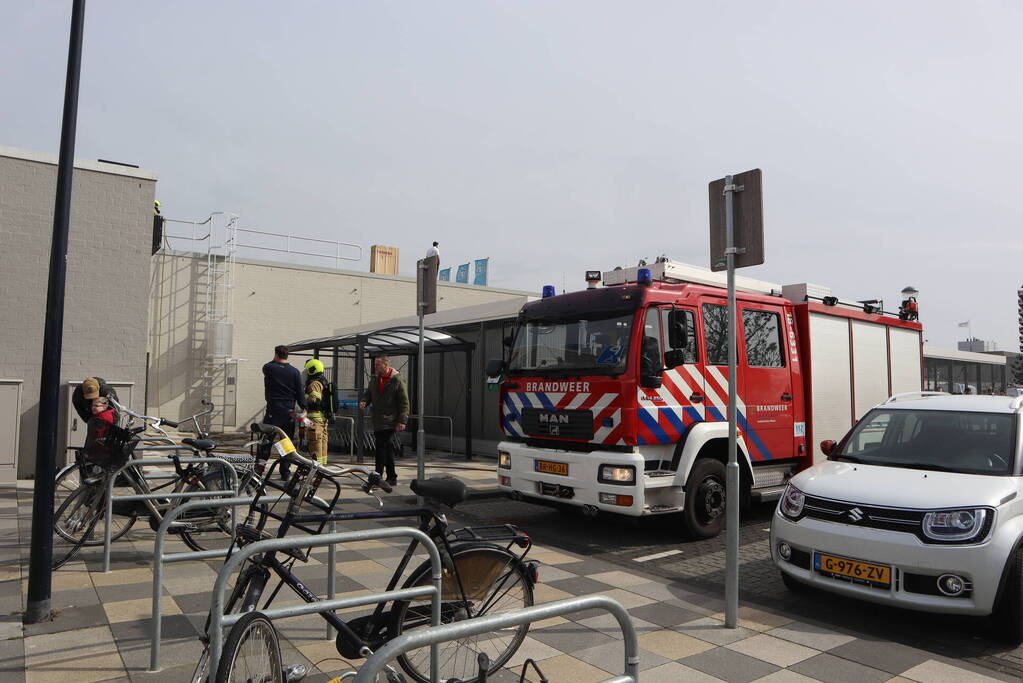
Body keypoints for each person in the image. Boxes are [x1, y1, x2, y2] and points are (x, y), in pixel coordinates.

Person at [359, 354, 409, 486]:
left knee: (382, 448)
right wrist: (364, 401)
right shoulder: (375, 379)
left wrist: (402, 420)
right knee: (386, 449)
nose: (375, 367)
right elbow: (368, 393)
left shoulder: (397, 380)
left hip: (390, 420)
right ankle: (391, 477)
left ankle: (378, 477)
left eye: (377, 364)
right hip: (377, 420)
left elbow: (404, 402)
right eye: (375, 364)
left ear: (385, 365)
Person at [263, 345, 306, 479]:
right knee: (286, 442)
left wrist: (275, 359)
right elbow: (299, 391)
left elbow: (269, 364)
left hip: (273, 410)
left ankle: (259, 468)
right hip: (289, 412)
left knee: (266, 441)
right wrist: (304, 407)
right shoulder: (294, 372)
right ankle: (285, 472)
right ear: (287, 356)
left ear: (276, 355)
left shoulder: (269, 368)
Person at [303, 358, 329, 466]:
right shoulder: (323, 381)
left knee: (315, 445)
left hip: (315, 421)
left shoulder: (314, 384)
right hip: (322, 420)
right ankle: (322, 467)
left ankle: (316, 469)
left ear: (312, 370)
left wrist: (304, 398)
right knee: (322, 445)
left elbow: (314, 400)